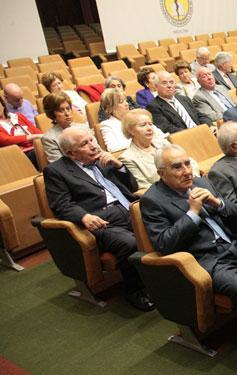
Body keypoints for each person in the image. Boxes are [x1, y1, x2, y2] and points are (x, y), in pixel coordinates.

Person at [140, 144, 237, 350]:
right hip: (207, 260)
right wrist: (192, 213)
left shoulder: (201, 182)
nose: (186, 171)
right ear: (161, 173)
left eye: (187, 163)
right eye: (177, 167)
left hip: (234, 244)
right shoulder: (152, 200)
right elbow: (164, 243)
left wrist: (217, 203)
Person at [43, 126, 151, 311]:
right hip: (101, 221)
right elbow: (61, 204)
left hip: (129, 209)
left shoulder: (103, 159)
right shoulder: (56, 171)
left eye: (91, 139)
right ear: (70, 153)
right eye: (84, 144)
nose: (93, 146)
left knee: (167, 221)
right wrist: (83, 216)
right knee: (130, 243)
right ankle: (135, 290)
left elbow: (132, 187)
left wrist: (119, 167)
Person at [119, 108, 195, 190]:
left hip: (190, 184)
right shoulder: (128, 158)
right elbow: (143, 187)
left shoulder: (163, 143)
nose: (149, 128)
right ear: (130, 130)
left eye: (150, 124)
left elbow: (191, 162)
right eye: (143, 125)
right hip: (167, 194)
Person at [147, 71, 212, 134]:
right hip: (184, 137)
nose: (169, 85)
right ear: (156, 86)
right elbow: (166, 128)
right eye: (164, 83)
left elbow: (200, 116)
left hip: (202, 132)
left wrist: (209, 126)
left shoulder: (184, 99)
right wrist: (193, 133)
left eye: (171, 82)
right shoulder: (153, 106)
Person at [41, 93, 95, 163]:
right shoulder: (50, 138)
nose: (67, 113)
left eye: (68, 109)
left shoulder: (83, 128)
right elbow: (59, 165)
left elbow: (98, 150)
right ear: (52, 114)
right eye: (61, 110)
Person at [0, 94, 42, 163]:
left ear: (2, 104)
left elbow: (36, 131)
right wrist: (33, 137)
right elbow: (6, 140)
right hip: (18, 154)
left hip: (35, 147)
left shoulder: (18, 116)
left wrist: (41, 137)